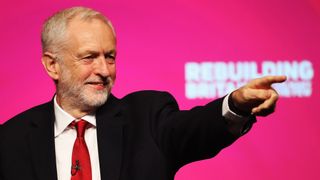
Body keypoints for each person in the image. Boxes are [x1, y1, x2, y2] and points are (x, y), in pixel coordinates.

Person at [0, 6, 286, 180]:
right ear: (53, 65)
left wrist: (236, 104)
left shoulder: (148, 117)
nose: (104, 70)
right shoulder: (10, 140)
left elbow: (196, 129)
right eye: (89, 57)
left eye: (110, 57)